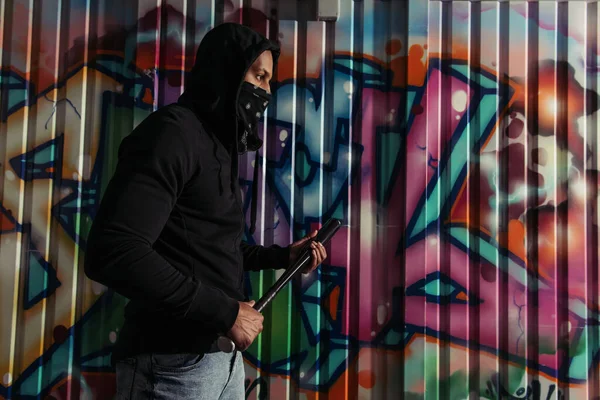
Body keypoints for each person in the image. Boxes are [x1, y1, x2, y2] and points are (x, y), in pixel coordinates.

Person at [84, 23, 327, 399]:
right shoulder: (172, 134)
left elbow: (206, 246)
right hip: (169, 368)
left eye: (269, 82)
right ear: (226, 70)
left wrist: (282, 256)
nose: (265, 92)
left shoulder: (218, 145)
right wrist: (226, 313)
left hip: (219, 360)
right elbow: (114, 251)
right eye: (258, 76)